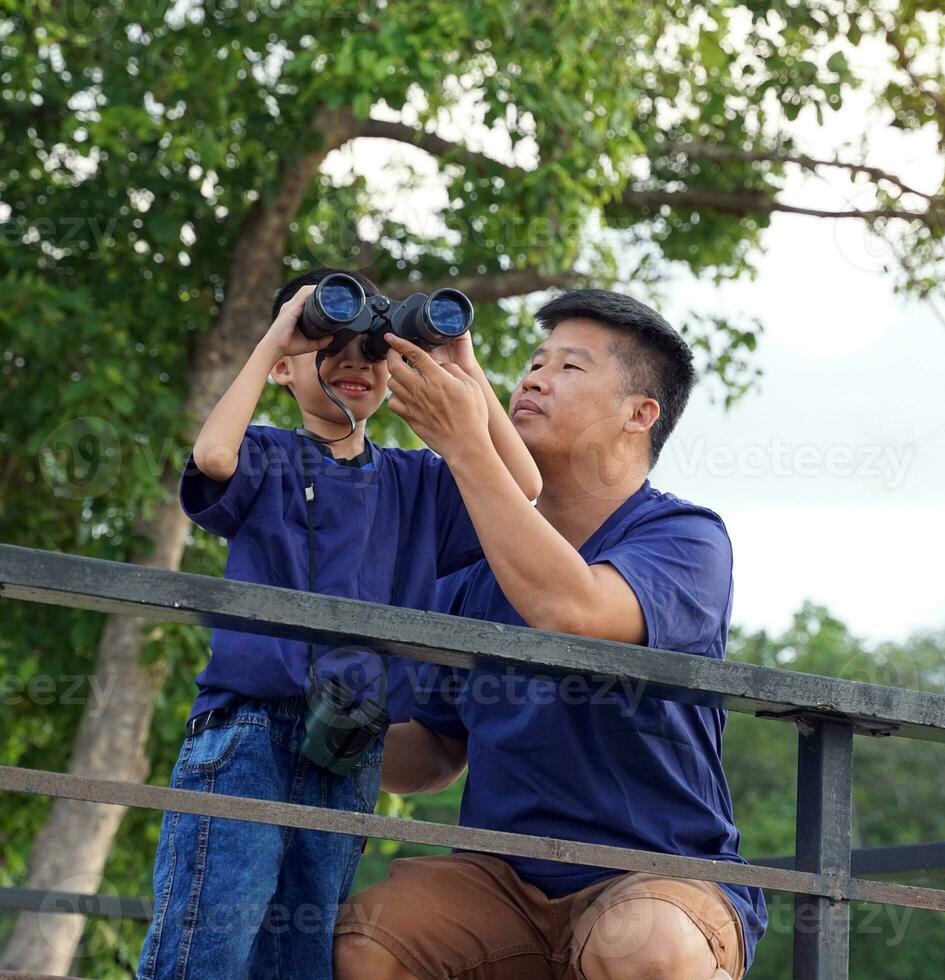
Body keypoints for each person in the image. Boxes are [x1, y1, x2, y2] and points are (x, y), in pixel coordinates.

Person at [333, 289, 768, 979]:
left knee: (645, 949)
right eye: (534, 363)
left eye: (569, 367)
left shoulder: (684, 539)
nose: (533, 378)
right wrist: (317, 723)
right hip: (500, 882)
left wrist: (468, 448)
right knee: (366, 945)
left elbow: (574, 612)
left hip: (656, 873)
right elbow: (438, 749)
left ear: (639, 414)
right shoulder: (473, 564)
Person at [136, 267, 541, 980]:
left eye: (373, 353)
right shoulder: (266, 457)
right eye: (330, 350)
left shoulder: (416, 483)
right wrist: (277, 339)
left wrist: (460, 363)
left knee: (300, 956)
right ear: (287, 369)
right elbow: (212, 457)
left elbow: (525, 485)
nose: (356, 365)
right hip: (249, 733)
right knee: (210, 945)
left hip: (350, 747)